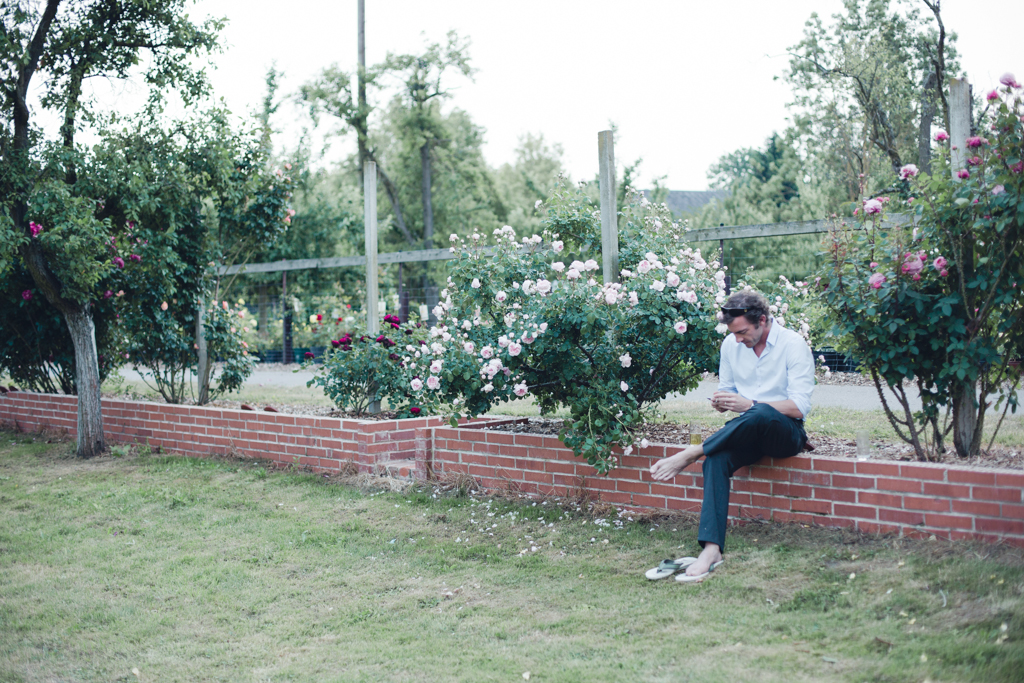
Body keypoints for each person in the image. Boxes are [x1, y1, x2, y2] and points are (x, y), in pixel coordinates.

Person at [649, 290, 814, 582]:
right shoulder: (730, 344)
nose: (738, 339)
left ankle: (692, 452)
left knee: (760, 412)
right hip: (747, 429)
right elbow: (729, 392)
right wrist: (722, 402)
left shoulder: (793, 344)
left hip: (785, 433)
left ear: (762, 320)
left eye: (743, 332)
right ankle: (712, 550)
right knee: (715, 460)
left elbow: (799, 406)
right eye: (733, 333)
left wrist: (751, 405)